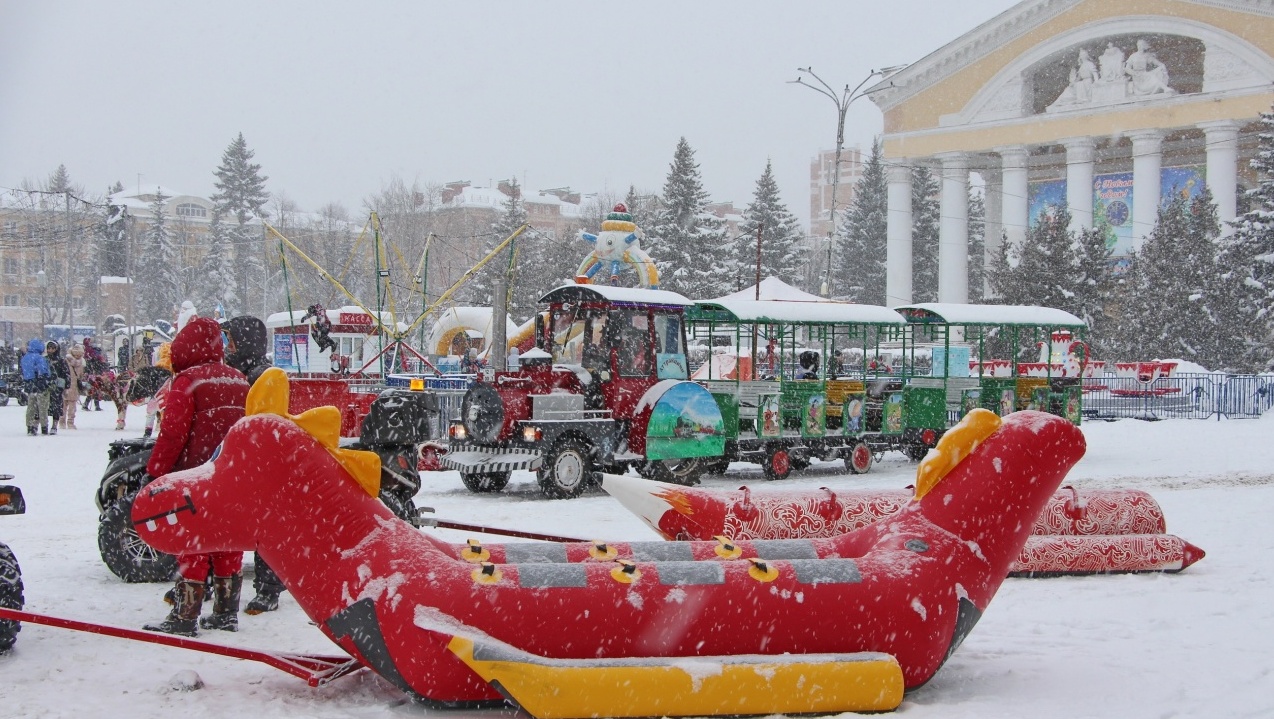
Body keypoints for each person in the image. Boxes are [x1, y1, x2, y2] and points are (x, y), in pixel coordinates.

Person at [142, 318, 250, 636]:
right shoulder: (239, 379)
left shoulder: (188, 382)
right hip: (231, 473)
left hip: (196, 474)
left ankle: (185, 615)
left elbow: (173, 434)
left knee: (194, 541)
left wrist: (156, 474)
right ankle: (226, 612)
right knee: (228, 539)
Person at [222, 315, 285, 614]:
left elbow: (267, 421)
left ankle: (269, 589)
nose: (227, 346)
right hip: (237, 458)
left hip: (260, 462)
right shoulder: (236, 371)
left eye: (231, 340)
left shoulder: (262, 375)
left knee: (264, 528)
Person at [20, 338, 50, 436]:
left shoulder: (25, 358)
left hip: (29, 385)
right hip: (40, 385)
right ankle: (44, 427)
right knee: (42, 407)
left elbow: (23, 371)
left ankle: (30, 426)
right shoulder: (40, 358)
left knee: (30, 407)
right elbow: (43, 371)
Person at [45, 342, 69, 435]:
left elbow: (66, 374)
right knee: (44, 406)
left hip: (58, 387)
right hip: (46, 386)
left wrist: (66, 387)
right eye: (49, 348)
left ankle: (54, 426)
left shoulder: (61, 361)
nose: (50, 350)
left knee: (56, 406)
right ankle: (44, 425)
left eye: (52, 348)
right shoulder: (45, 360)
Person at [63, 343, 85, 429]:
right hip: (73, 386)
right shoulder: (81, 363)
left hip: (65, 386)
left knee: (63, 405)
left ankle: (62, 421)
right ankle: (70, 423)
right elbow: (81, 376)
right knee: (72, 406)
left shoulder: (65, 361)